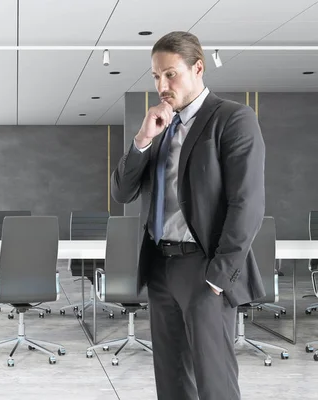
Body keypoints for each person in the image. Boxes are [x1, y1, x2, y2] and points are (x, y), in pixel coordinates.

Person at [111, 31, 266, 400]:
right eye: (155, 76)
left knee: (214, 383)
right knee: (172, 382)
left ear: (198, 68)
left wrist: (218, 277)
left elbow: (247, 203)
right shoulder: (161, 128)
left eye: (170, 74)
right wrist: (142, 140)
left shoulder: (232, 119)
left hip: (203, 270)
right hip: (160, 268)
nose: (162, 85)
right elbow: (121, 192)